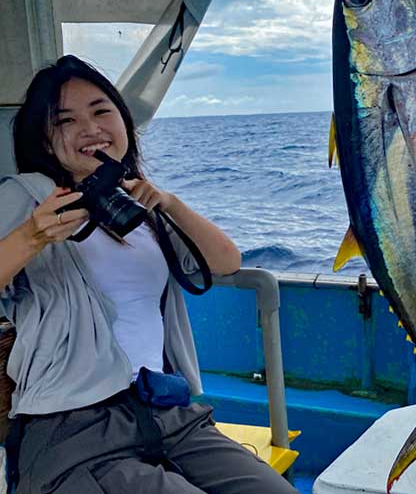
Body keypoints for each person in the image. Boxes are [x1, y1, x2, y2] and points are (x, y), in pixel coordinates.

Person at [0, 55, 298, 494]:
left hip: (167, 412)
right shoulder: (26, 196)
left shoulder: (134, 205)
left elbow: (225, 262)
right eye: (65, 120)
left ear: (124, 121)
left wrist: (169, 204)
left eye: (102, 111)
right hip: (73, 423)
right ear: (45, 141)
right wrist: (32, 235)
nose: (90, 128)